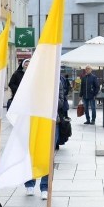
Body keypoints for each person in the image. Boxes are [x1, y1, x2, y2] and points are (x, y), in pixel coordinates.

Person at [25, 70, 67, 200]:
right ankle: (29, 183)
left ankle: (45, 187)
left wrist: (50, 102)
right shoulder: (33, 79)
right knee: (32, 152)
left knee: (48, 155)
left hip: (52, 121)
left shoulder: (56, 81)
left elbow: (61, 101)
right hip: (35, 120)